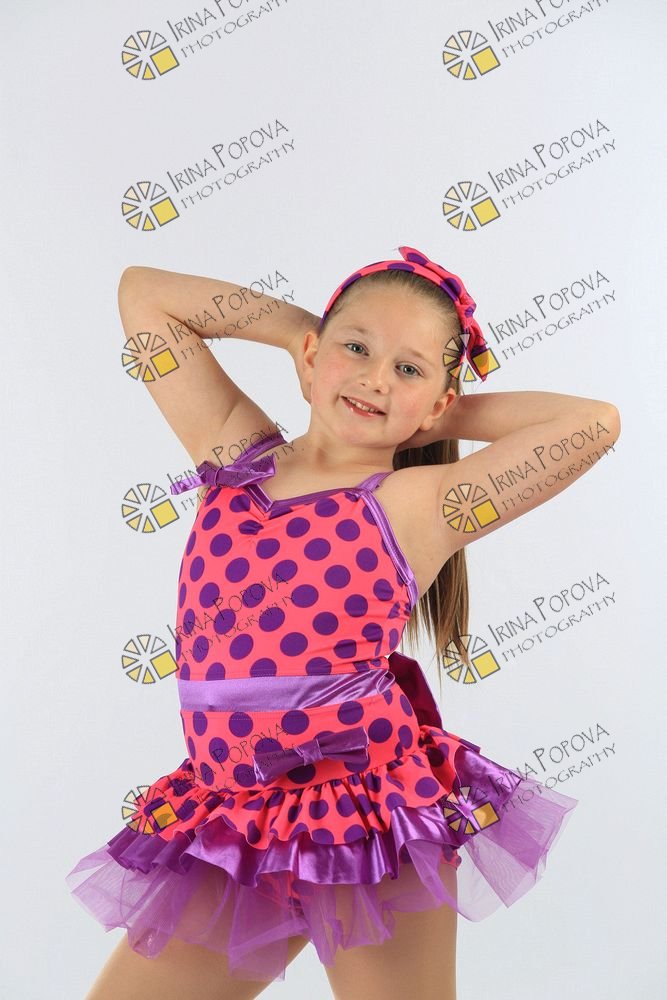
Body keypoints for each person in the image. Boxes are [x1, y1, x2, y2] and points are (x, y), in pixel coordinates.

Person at [66, 246, 621, 1000]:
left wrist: (436, 412)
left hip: (367, 814)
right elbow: (144, 294)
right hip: (233, 820)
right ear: (310, 355)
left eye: (407, 368)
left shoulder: (421, 504)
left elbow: (591, 424)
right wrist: (307, 332)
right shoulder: (234, 454)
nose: (374, 378)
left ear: (436, 403)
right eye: (355, 349)